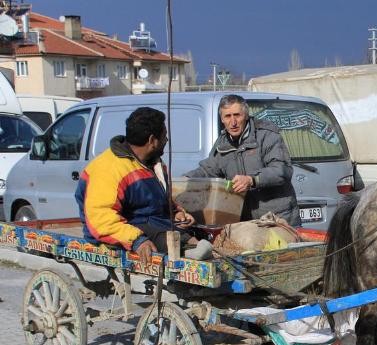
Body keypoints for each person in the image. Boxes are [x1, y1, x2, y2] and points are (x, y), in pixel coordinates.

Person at [75, 107, 212, 264]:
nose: (166, 141)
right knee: (168, 238)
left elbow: (159, 199)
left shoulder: (155, 164)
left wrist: (176, 212)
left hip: (152, 223)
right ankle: (190, 249)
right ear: (152, 140)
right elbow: (100, 219)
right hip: (123, 228)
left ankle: (192, 246)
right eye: (164, 137)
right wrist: (137, 240)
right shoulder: (109, 169)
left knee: (196, 232)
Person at [185, 94, 300, 225]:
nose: (233, 122)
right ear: (222, 119)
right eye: (227, 116)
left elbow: (282, 170)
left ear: (245, 115)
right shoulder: (222, 144)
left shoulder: (266, 135)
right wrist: (184, 180)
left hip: (277, 218)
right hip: (247, 221)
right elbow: (207, 169)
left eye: (237, 115)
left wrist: (252, 180)